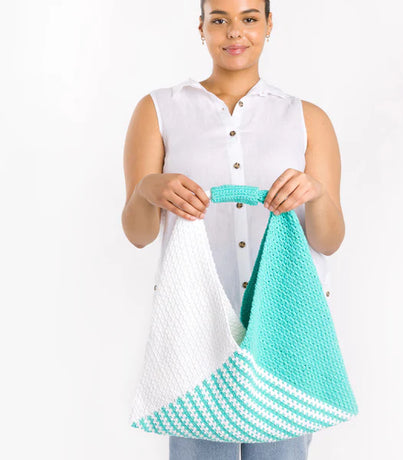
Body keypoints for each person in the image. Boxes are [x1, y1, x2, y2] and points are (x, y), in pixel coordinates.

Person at [122, 0, 344, 458]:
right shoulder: (159, 110)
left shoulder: (307, 117)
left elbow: (329, 241)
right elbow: (138, 234)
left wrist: (317, 193)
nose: (234, 32)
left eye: (249, 18)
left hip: (285, 322)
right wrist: (147, 189)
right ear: (201, 27)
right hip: (196, 322)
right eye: (219, 19)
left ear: (268, 25)